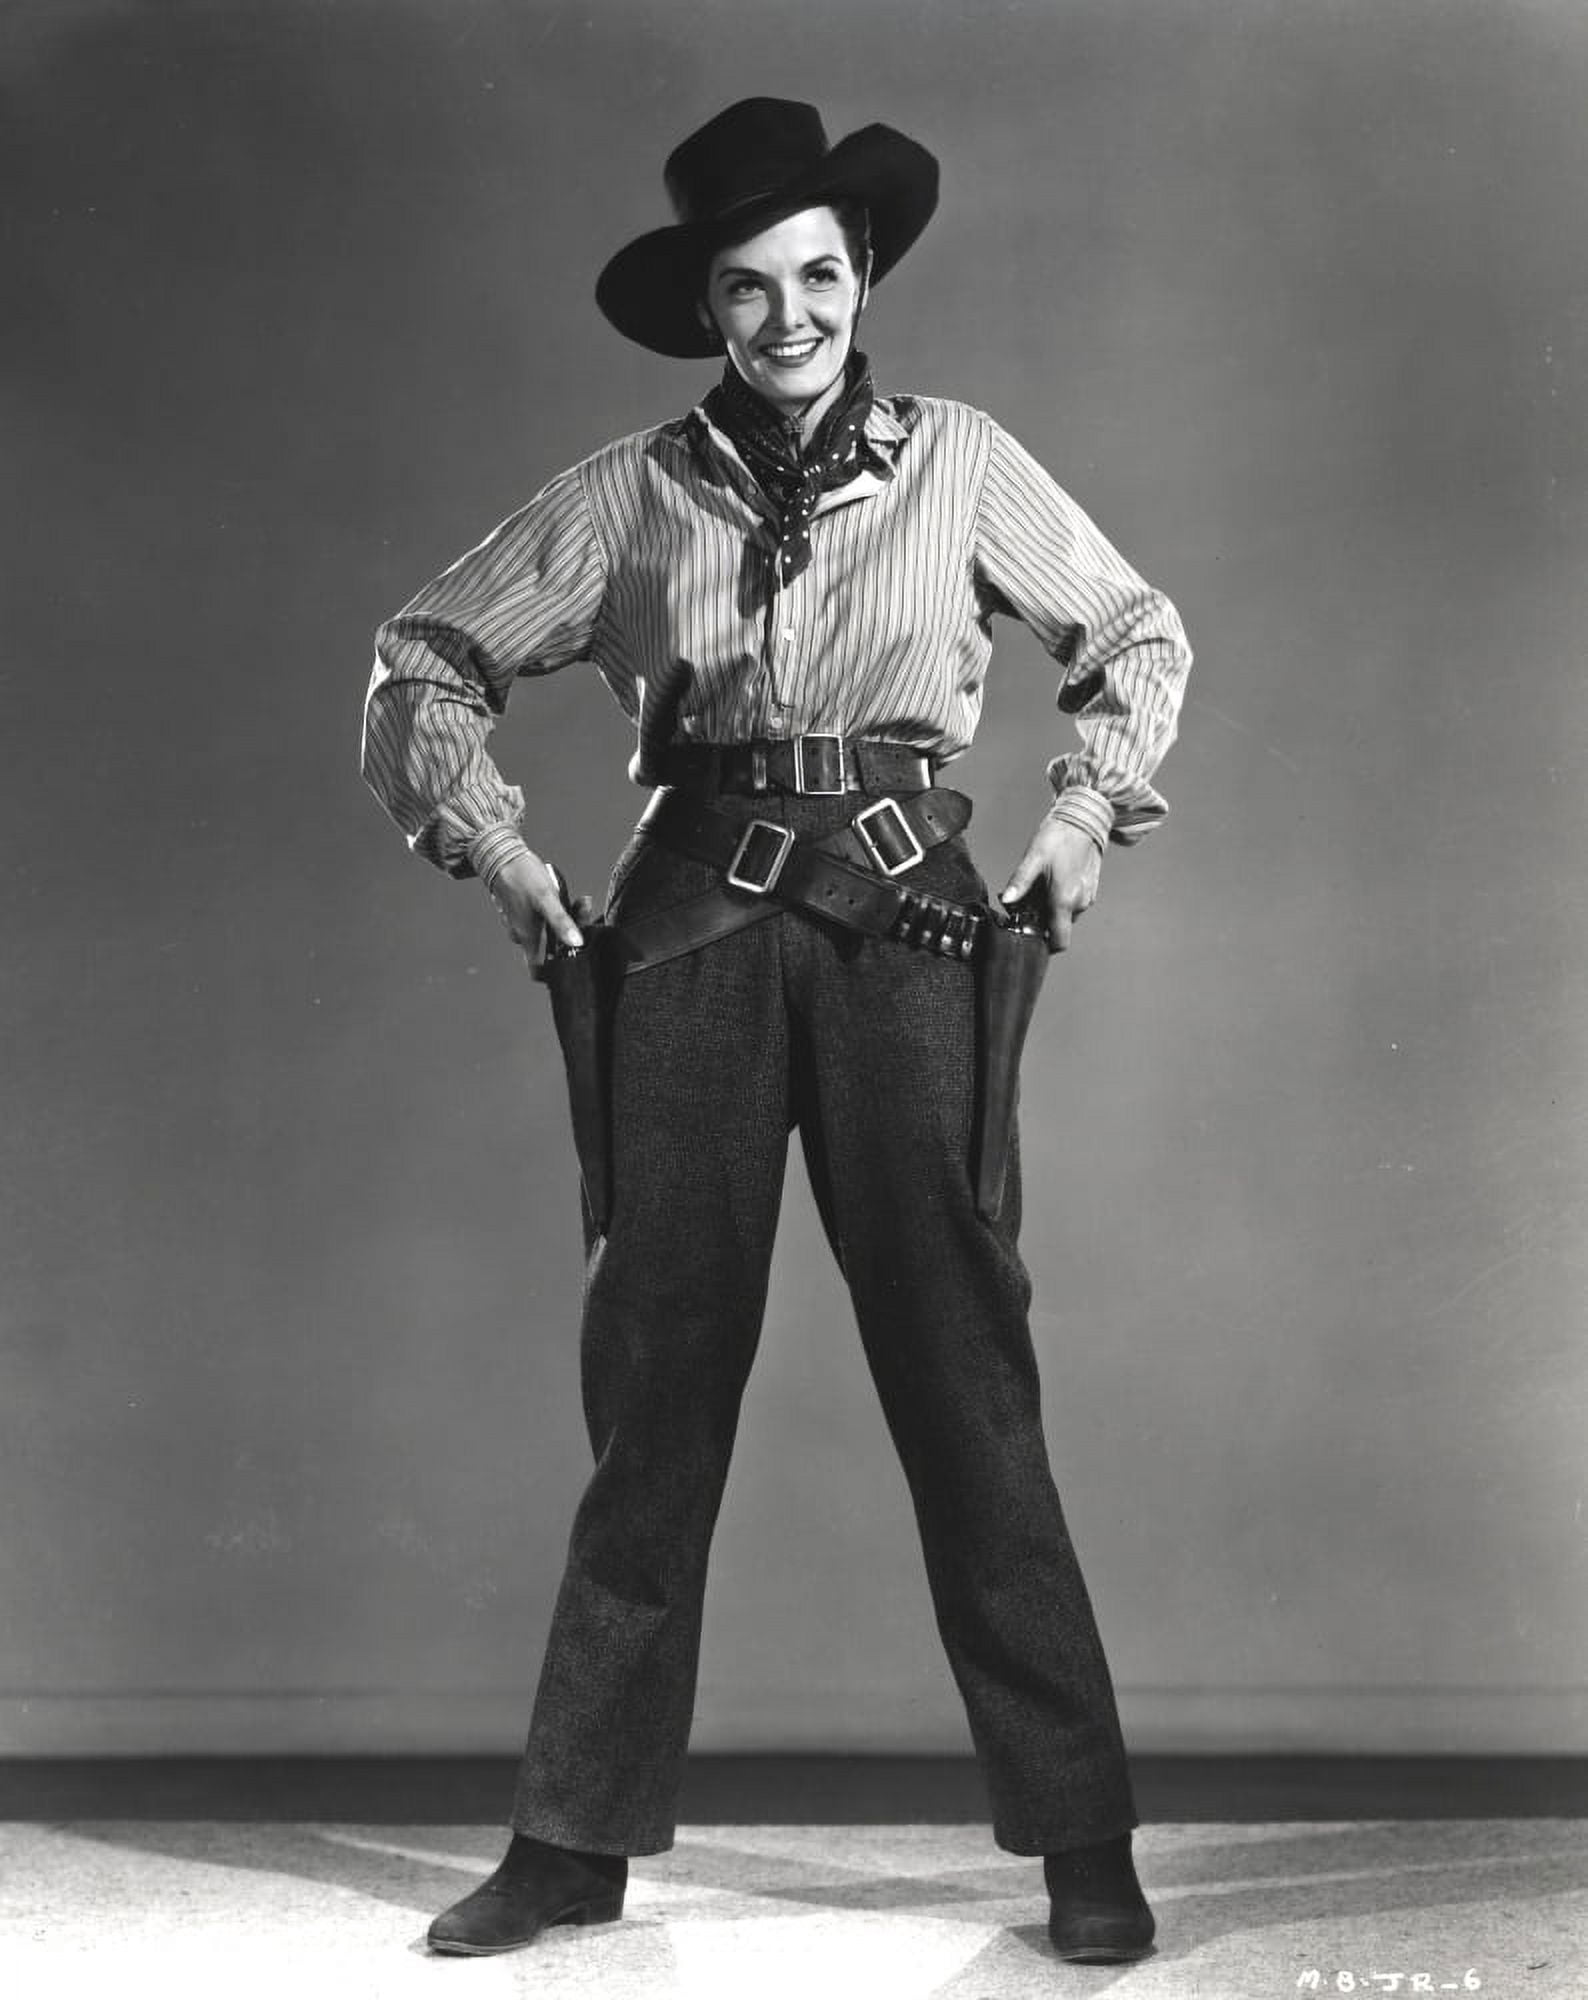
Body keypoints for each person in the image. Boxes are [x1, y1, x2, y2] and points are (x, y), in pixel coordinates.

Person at [361, 96, 1191, 1967]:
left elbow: (1135, 634)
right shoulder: (628, 491)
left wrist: (1075, 824)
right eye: (748, 288)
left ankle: (1079, 1840)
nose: (789, 313)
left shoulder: (965, 461)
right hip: (682, 945)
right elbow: (424, 656)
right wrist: (495, 849)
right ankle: (572, 1843)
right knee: (651, 1386)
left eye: (818, 273)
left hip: (904, 921)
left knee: (967, 1378)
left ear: (865, 273)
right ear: (708, 313)